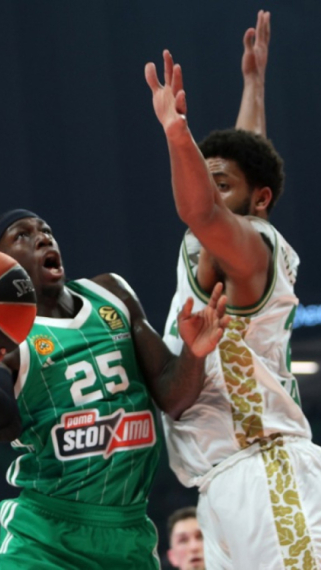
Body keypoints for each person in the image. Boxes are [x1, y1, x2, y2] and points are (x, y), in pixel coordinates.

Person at [0, 208, 230, 569]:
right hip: (46, 537)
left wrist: (193, 354)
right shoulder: (8, 340)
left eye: (46, 230)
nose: (43, 237)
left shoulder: (111, 294)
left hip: (129, 531)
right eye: (22, 235)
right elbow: (4, 427)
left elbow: (172, 396)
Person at [145, 11, 321, 570]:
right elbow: (243, 166)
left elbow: (203, 208)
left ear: (260, 200)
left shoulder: (252, 251)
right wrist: (254, 83)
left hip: (267, 471)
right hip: (221, 482)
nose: (210, 190)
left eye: (221, 184)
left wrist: (177, 134)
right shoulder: (229, 235)